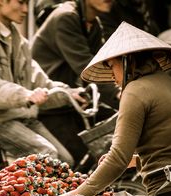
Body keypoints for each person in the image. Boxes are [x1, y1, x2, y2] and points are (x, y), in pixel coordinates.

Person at [47, 22, 171, 196]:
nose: (113, 76)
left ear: (127, 62)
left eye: (111, 65)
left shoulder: (134, 91)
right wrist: (137, 160)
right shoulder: (169, 83)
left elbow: (117, 158)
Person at [0, 0, 87, 168]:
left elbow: (39, 80)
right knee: (46, 156)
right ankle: (19, 194)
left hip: (18, 116)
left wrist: (68, 93)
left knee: (64, 161)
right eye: (21, 2)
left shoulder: (18, 40)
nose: (25, 10)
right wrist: (25, 95)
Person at [31, 0, 120, 169]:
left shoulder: (93, 23)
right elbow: (87, 66)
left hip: (76, 100)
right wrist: (117, 93)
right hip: (52, 102)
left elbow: (103, 62)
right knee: (77, 161)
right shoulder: (66, 17)